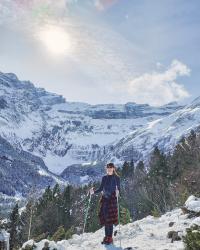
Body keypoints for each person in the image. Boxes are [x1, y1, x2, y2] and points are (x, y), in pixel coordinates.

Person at [90, 162, 120, 245]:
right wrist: (93, 192)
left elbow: (119, 189)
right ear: (106, 169)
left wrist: (118, 192)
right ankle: (107, 236)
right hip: (105, 200)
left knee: (110, 220)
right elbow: (100, 189)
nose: (109, 169)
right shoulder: (104, 178)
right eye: (108, 168)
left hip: (112, 200)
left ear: (113, 168)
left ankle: (109, 238)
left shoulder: (117, 178)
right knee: (106, 220)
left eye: (111, 167)